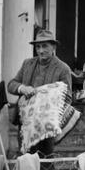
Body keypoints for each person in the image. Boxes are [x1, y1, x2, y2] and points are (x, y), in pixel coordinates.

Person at [8, 29, 72, 158]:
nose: (41, 50)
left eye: (45, 46)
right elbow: (11, 84)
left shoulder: (63, 69)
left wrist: (47, 103)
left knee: (45, 162)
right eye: (38, 46)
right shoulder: (28, 64)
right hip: (26, 124)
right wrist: (22, 88)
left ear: (53, 46)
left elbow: (68, 98)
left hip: (46, 127)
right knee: (25, 159)